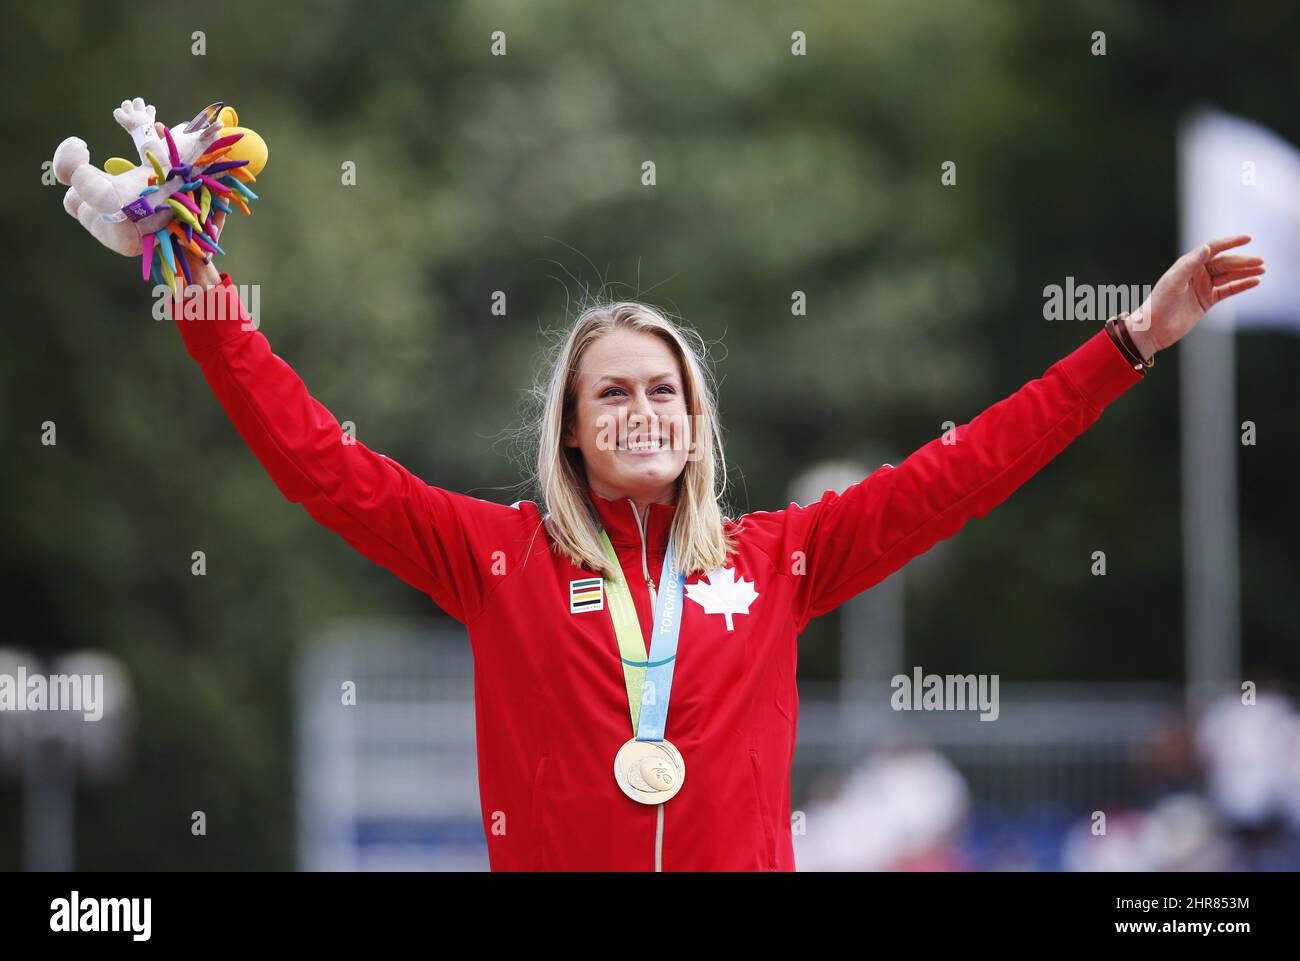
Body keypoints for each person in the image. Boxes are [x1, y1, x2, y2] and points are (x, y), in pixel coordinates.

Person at [168, 208, 1261, 870]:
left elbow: (962, 471)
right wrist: (207, 296)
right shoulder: (495, 558)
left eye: (663, 389)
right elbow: (321, 465)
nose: (641, 408)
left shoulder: (781, 558)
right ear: (574, 431)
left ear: (695, 423)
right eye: (611, 393)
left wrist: (1126, 343)